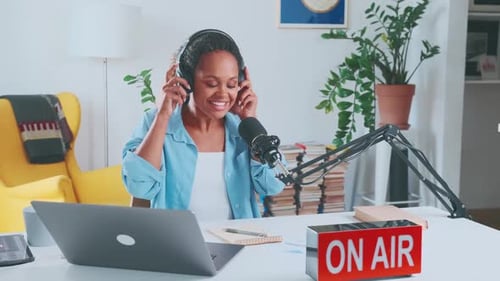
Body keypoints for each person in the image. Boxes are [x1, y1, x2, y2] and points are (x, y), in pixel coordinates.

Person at [121, 29, 285, 220]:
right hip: (178, 245)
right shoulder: (156, 122)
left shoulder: (242, 129)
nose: (223, 94)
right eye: (211, 83)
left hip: (239, 243)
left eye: (231, 85)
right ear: (187, 80)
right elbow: (139, 187)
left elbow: (274, 185)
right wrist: (163, 115)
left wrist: (250, 121)